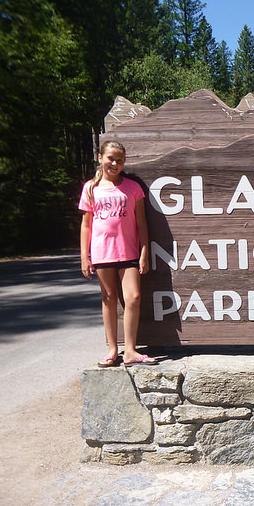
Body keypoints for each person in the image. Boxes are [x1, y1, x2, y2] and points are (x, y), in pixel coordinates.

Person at [79, 140, 156, 367]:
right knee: (109, 298)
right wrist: (85, 256)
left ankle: (130, 349)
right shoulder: (90, 188)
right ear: (100, 158)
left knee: (133, 297)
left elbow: (142, 224)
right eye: (110, 158)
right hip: (102, 253)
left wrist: (144, 252)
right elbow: (86, 225)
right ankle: (113, 349)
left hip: (129, 251)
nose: (114, 163)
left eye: (119, 160)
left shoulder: (133, 188)